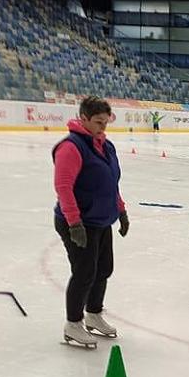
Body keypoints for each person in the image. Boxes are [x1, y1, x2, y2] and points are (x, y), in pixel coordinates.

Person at [53, 96, 129, 348]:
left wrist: (121, 210)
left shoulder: (106, 146)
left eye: (106, 122)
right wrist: (75, 224)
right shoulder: (71, 147)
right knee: (84, 272)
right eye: (98, 122)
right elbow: (64, 187)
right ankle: (73, 323)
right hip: (79, 222)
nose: (103, 127)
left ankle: (94, 315)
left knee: (103, 269)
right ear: (83, 118)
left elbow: (111, 183)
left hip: (101, 220)